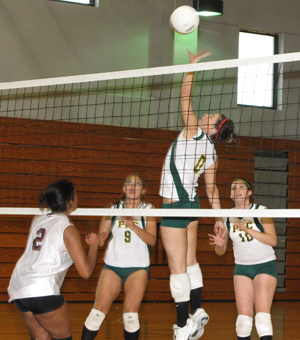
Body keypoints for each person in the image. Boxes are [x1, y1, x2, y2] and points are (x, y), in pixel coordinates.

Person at [159, 50, 238, 340]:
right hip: (192, 204)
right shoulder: (212, 153)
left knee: (176, 266)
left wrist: (190, 68)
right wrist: (218, 217)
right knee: (190, 260)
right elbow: (211, 189)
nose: (206, 113)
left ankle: (182, 325)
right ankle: (199, 308)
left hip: (175, 205)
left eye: (211, 116)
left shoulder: (193, 131)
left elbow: (184, 97)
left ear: (212, 127)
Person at [7, 179, 100, 340]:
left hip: (19, 286)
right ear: (70, 200)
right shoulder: (67, 228)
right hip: (41, 290)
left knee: (40, 336)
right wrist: (94, 246)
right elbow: (86, 271)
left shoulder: (39, 219)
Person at [81, 172, 157, 340]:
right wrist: (96, 241)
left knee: (130, 315)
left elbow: (152, 240)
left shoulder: (148, 209)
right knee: (97, 312)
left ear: (144, 190)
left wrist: (133, 226)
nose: (132, 186)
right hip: (113, 267)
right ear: (123, 188)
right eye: (129, 183)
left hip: (137, 269)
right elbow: (103, 237)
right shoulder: (114, 209)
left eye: (137, 184)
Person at [209, 178, 277, 340]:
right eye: (233, 188)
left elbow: (272, 240)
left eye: (241, 187)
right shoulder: (227, 217)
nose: (236, 190)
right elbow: (220, 252)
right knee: (243, 322)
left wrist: (247, 229)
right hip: (242, 268)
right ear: (231, 195)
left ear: (249, 193)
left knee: (262, 319)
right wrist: (219, 244)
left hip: (264, 266)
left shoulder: (261, 210)